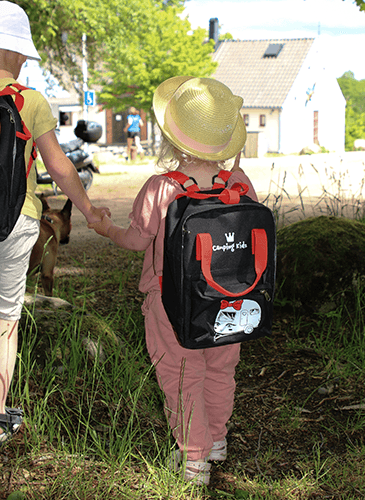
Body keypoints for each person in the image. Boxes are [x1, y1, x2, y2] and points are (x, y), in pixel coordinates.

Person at [89, 76, 254, 485]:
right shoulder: (240, 184)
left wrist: (107, 229)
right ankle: (216, 441)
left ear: (174, 141)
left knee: (182, 377)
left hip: (171, 302)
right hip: (231, 299)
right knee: (220, 371)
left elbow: (136, 240)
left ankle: (194, 460)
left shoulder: (161, 188)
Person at [0, 0, 110, 448]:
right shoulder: (30, 101)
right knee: (4, 326)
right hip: (17, 225)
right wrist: (88, 211)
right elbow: (61, 168)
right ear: (19, 55)